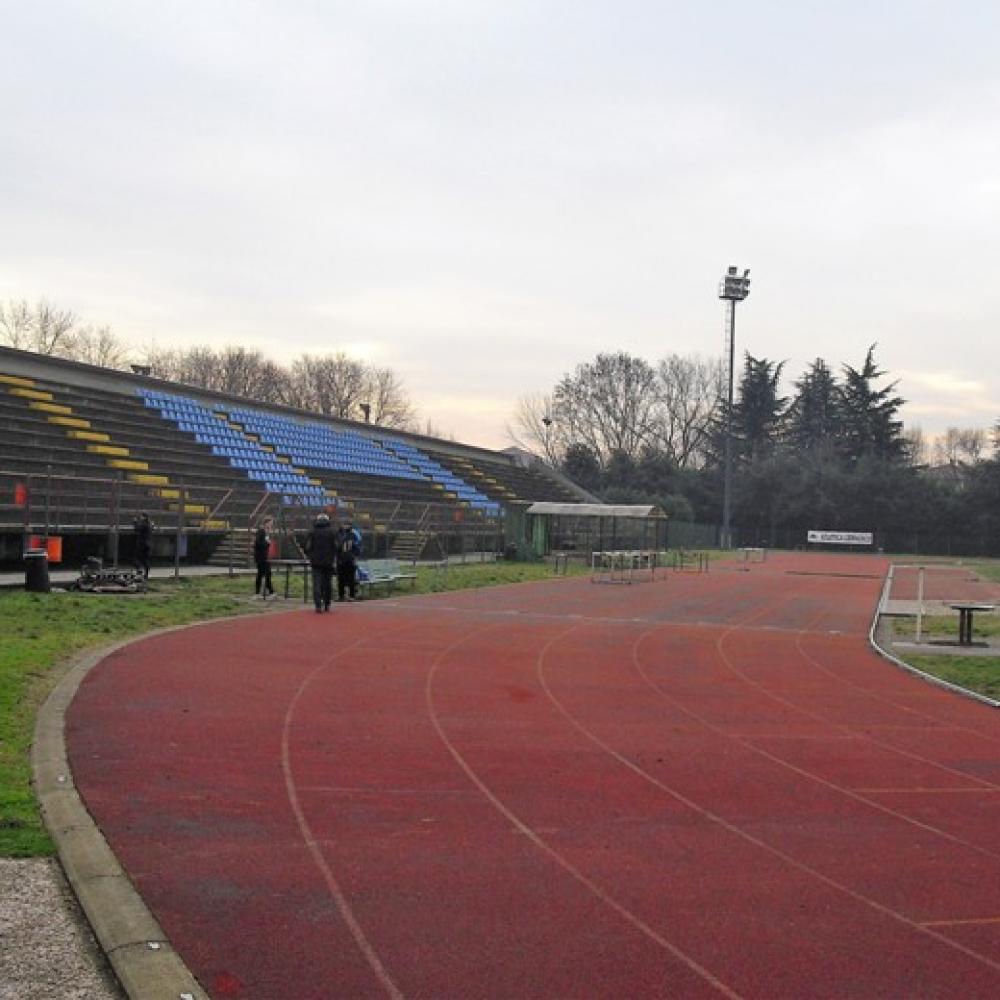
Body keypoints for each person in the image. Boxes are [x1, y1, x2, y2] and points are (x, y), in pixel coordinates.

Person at [302, 512, 336, 613]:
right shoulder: (332, 532)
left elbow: (307, 547)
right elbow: (337, 546)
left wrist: (310, 555)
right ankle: (327, 604)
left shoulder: (312, 532)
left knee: (316, 583)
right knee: (327, 583)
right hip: (328, 561)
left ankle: (318, 605)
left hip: (315, 561)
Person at [335, 519, 361, 602]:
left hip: (350, 560)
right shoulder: (339, 534)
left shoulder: (353, 535)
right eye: (344, 524)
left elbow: (357, 547)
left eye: (347, 525)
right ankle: (341, 595)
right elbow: (336, 547)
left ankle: (352, 595)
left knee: (351, 579)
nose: (345, 526)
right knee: (340, 579)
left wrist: (354, 556)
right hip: (340, 560)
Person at [253, 516, 275, 599]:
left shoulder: (266, 532)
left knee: (263, 574)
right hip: (261, 557)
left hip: (265, 556)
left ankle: (260, 593)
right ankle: (270, 592)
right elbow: (258, 543)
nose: (271, 525)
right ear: (266, 523)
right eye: (270, 523)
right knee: (266, 574)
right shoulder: (261, 531)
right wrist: (267, 543)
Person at [133, 512, 153, 580]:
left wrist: (135, 522)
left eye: (141, 517)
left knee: (136, 557)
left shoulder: (144, 524)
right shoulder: (149, 524)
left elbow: (137, 529)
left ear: (144, 517)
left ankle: (139, 570)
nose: (140, 518)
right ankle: (146, 574)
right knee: (146, 559)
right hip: (148, 544)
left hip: (142, 544)